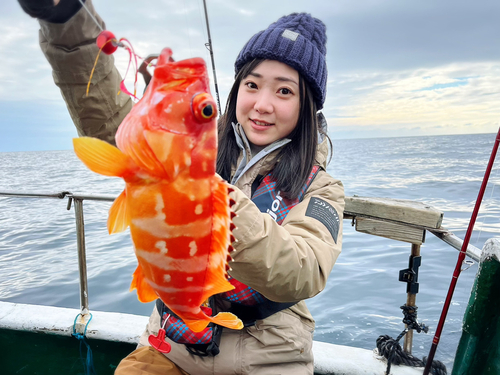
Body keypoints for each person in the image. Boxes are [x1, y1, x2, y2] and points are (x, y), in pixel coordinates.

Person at [19, 1, 345, 374]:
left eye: (284, 92)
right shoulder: (189, 140)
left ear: (308, 107)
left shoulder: (323, 188)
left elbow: (304, 270)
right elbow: (109, 120)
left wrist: (214, 199)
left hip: (268, 357)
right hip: (169, 345)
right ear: (237, 87)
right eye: (252, 85)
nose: (263, 104)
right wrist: (64, 22)